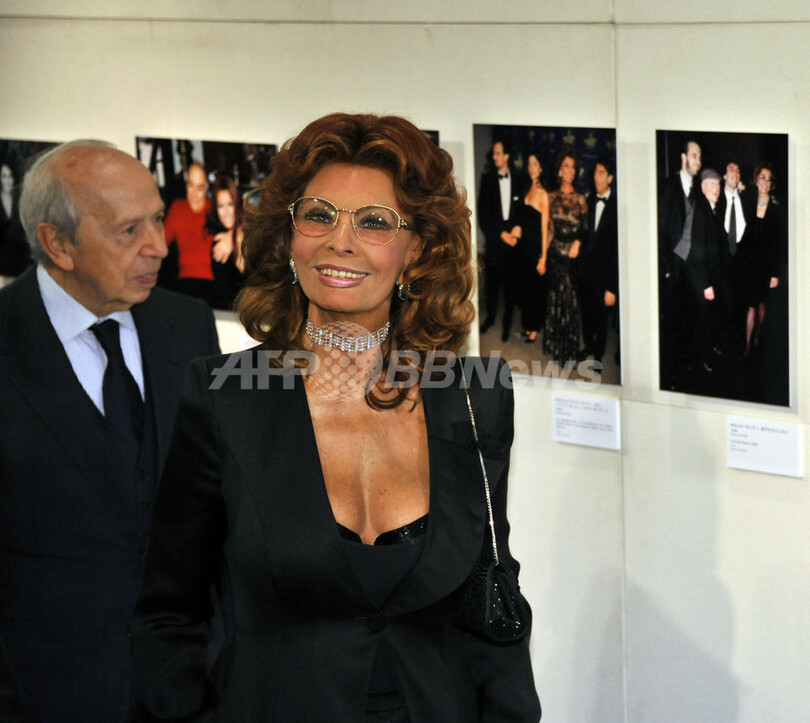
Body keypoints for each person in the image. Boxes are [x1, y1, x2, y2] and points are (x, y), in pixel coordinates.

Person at [131, 113, 541, 721]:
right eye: (318, 215)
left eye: (374, 222)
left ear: (418, 248)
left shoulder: (475, 397)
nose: (339, 242)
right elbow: (170, 614)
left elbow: (493, 599)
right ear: (288, 235)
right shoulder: (224, 397)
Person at [0, 141, 220, 720]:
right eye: (129, 230)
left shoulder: (187, 326)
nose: (159, 245)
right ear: (57, 244)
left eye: (157, 219)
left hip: (183, 690)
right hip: (42, 696)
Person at [658, 139, 701, 388]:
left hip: (691, 272)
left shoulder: (697, 191)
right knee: (670, 324)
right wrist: (665, 267)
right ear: (683, 158)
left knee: (687, 322)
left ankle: (683, 374)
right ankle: (668, 376)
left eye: (699, 157)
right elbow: (660, 231)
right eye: (694, 156)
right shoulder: (667, 187)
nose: (698, 161)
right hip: (671, 270)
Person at [477, 139, 529, 341]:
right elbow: (483, 214)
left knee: (510, 287)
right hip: (495, 242)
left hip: (513, 244)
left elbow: (523, 210)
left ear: (507, 156)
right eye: (494, 153)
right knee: (491, 285)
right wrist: (500, 234)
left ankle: (507, 324)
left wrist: (518, 227)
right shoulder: (488, 179)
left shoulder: (519, 179)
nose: (495, 157)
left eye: (498, 153)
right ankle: (490, 318)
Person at [543, 145, 587, 362]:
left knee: (570, 301)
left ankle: (568, 350)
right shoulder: (550, 197)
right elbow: (548, 230)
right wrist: (543, 257)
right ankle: (556, 347)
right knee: (556, 298)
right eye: (566, 166)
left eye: (573, 167)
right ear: (560, 169)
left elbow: (585, 230)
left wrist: (577, 242)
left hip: (573, 257)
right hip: (555, 256)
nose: (570, 171)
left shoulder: (580, 199)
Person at [738, 162, 785, 358]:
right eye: (762, 177)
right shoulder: (747, 200)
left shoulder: (776, 208)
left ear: (771, 184)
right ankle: (748, 347)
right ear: (756, 179)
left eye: (769, 179)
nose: (765, 181)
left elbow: (779, 245)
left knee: (762, 305)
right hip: (750, 265)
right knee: (751, 306)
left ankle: (757, 334)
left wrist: (775, 274)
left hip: (766, 266)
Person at [578, 157, 619, 364]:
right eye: (595, 172)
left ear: (610, 178)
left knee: (602, 318)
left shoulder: (618, 207)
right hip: (586, 272)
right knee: (587, 314)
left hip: (605, 276)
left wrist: (612, 287)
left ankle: (599, 355)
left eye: (601, 173)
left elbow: (618, 251)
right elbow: (583, 235)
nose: (596, 177)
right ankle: (588, 346)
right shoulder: (588, 201)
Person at [163, 161, 216, 304]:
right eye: (190, 185)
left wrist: (231, 237)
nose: (194, 193)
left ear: (207, 187)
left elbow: (239, 224)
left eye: (200, 187)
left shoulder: (215, 208)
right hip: (185, 284)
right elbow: (160, 243)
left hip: (213, 284)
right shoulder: (177, 209)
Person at [513, 150, 550, 344]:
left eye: (535, 164)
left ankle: (535, 329)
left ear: (541, 168)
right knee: (526, 290)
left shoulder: (543, 194)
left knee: (535, 291)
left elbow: (545, 229)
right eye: (529, 164)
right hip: (524, 249)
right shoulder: (527, 190)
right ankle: (528, 327)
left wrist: (543, 258)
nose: (531, 168)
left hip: (535, 249)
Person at [206, 173, 245, 309]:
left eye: (230, 204)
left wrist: (234, 235)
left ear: (237, 204)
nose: (226, 212)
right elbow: (224, 295)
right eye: (221, 206)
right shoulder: (219, 243)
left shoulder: (252, 231)